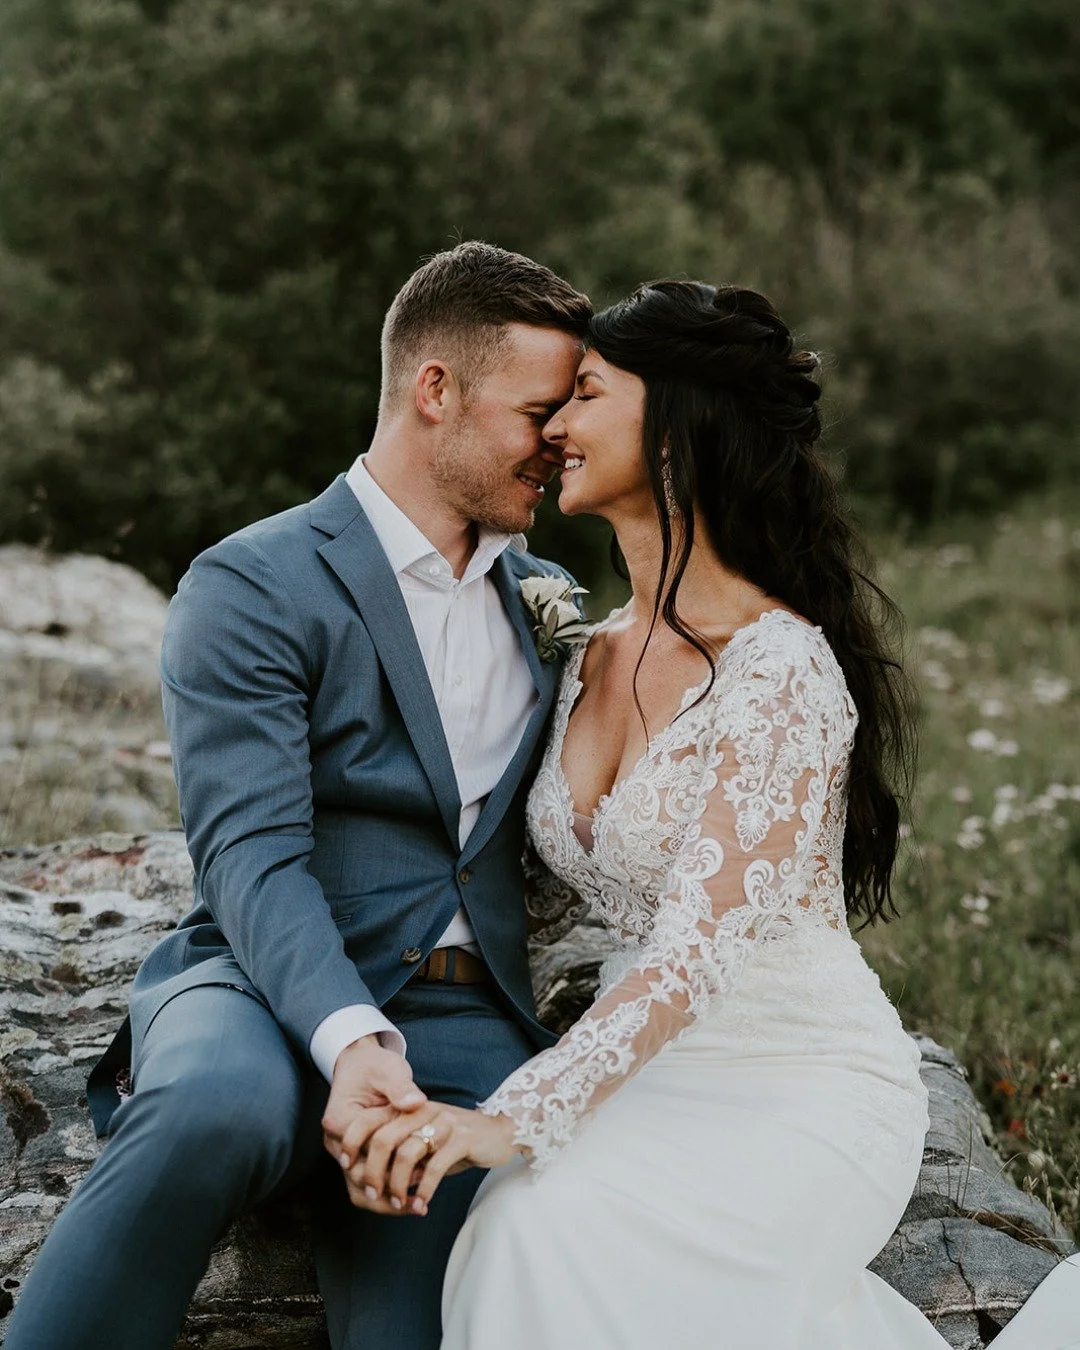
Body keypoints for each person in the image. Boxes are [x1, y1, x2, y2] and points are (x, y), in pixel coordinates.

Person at [2, 241, 592, 1350]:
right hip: (261, 984)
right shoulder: (253, 582)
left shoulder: (549, 598)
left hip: (468, 1022)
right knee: (211, 1109)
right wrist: (352, 1039)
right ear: (435, 392)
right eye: (537, 414)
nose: (558, 447)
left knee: (430, 1307)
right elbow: (249, 855)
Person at [350, 278, 956, 1347]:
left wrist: (508, 1118)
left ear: (676, 431)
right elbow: (495, 881)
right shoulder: (581, 653)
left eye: (584, 394)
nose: (556, 426)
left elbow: (688, 956)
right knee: (520, 1234)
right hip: (644, 1083)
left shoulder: (780, 673)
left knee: (563, 1228)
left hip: (798, 1086)